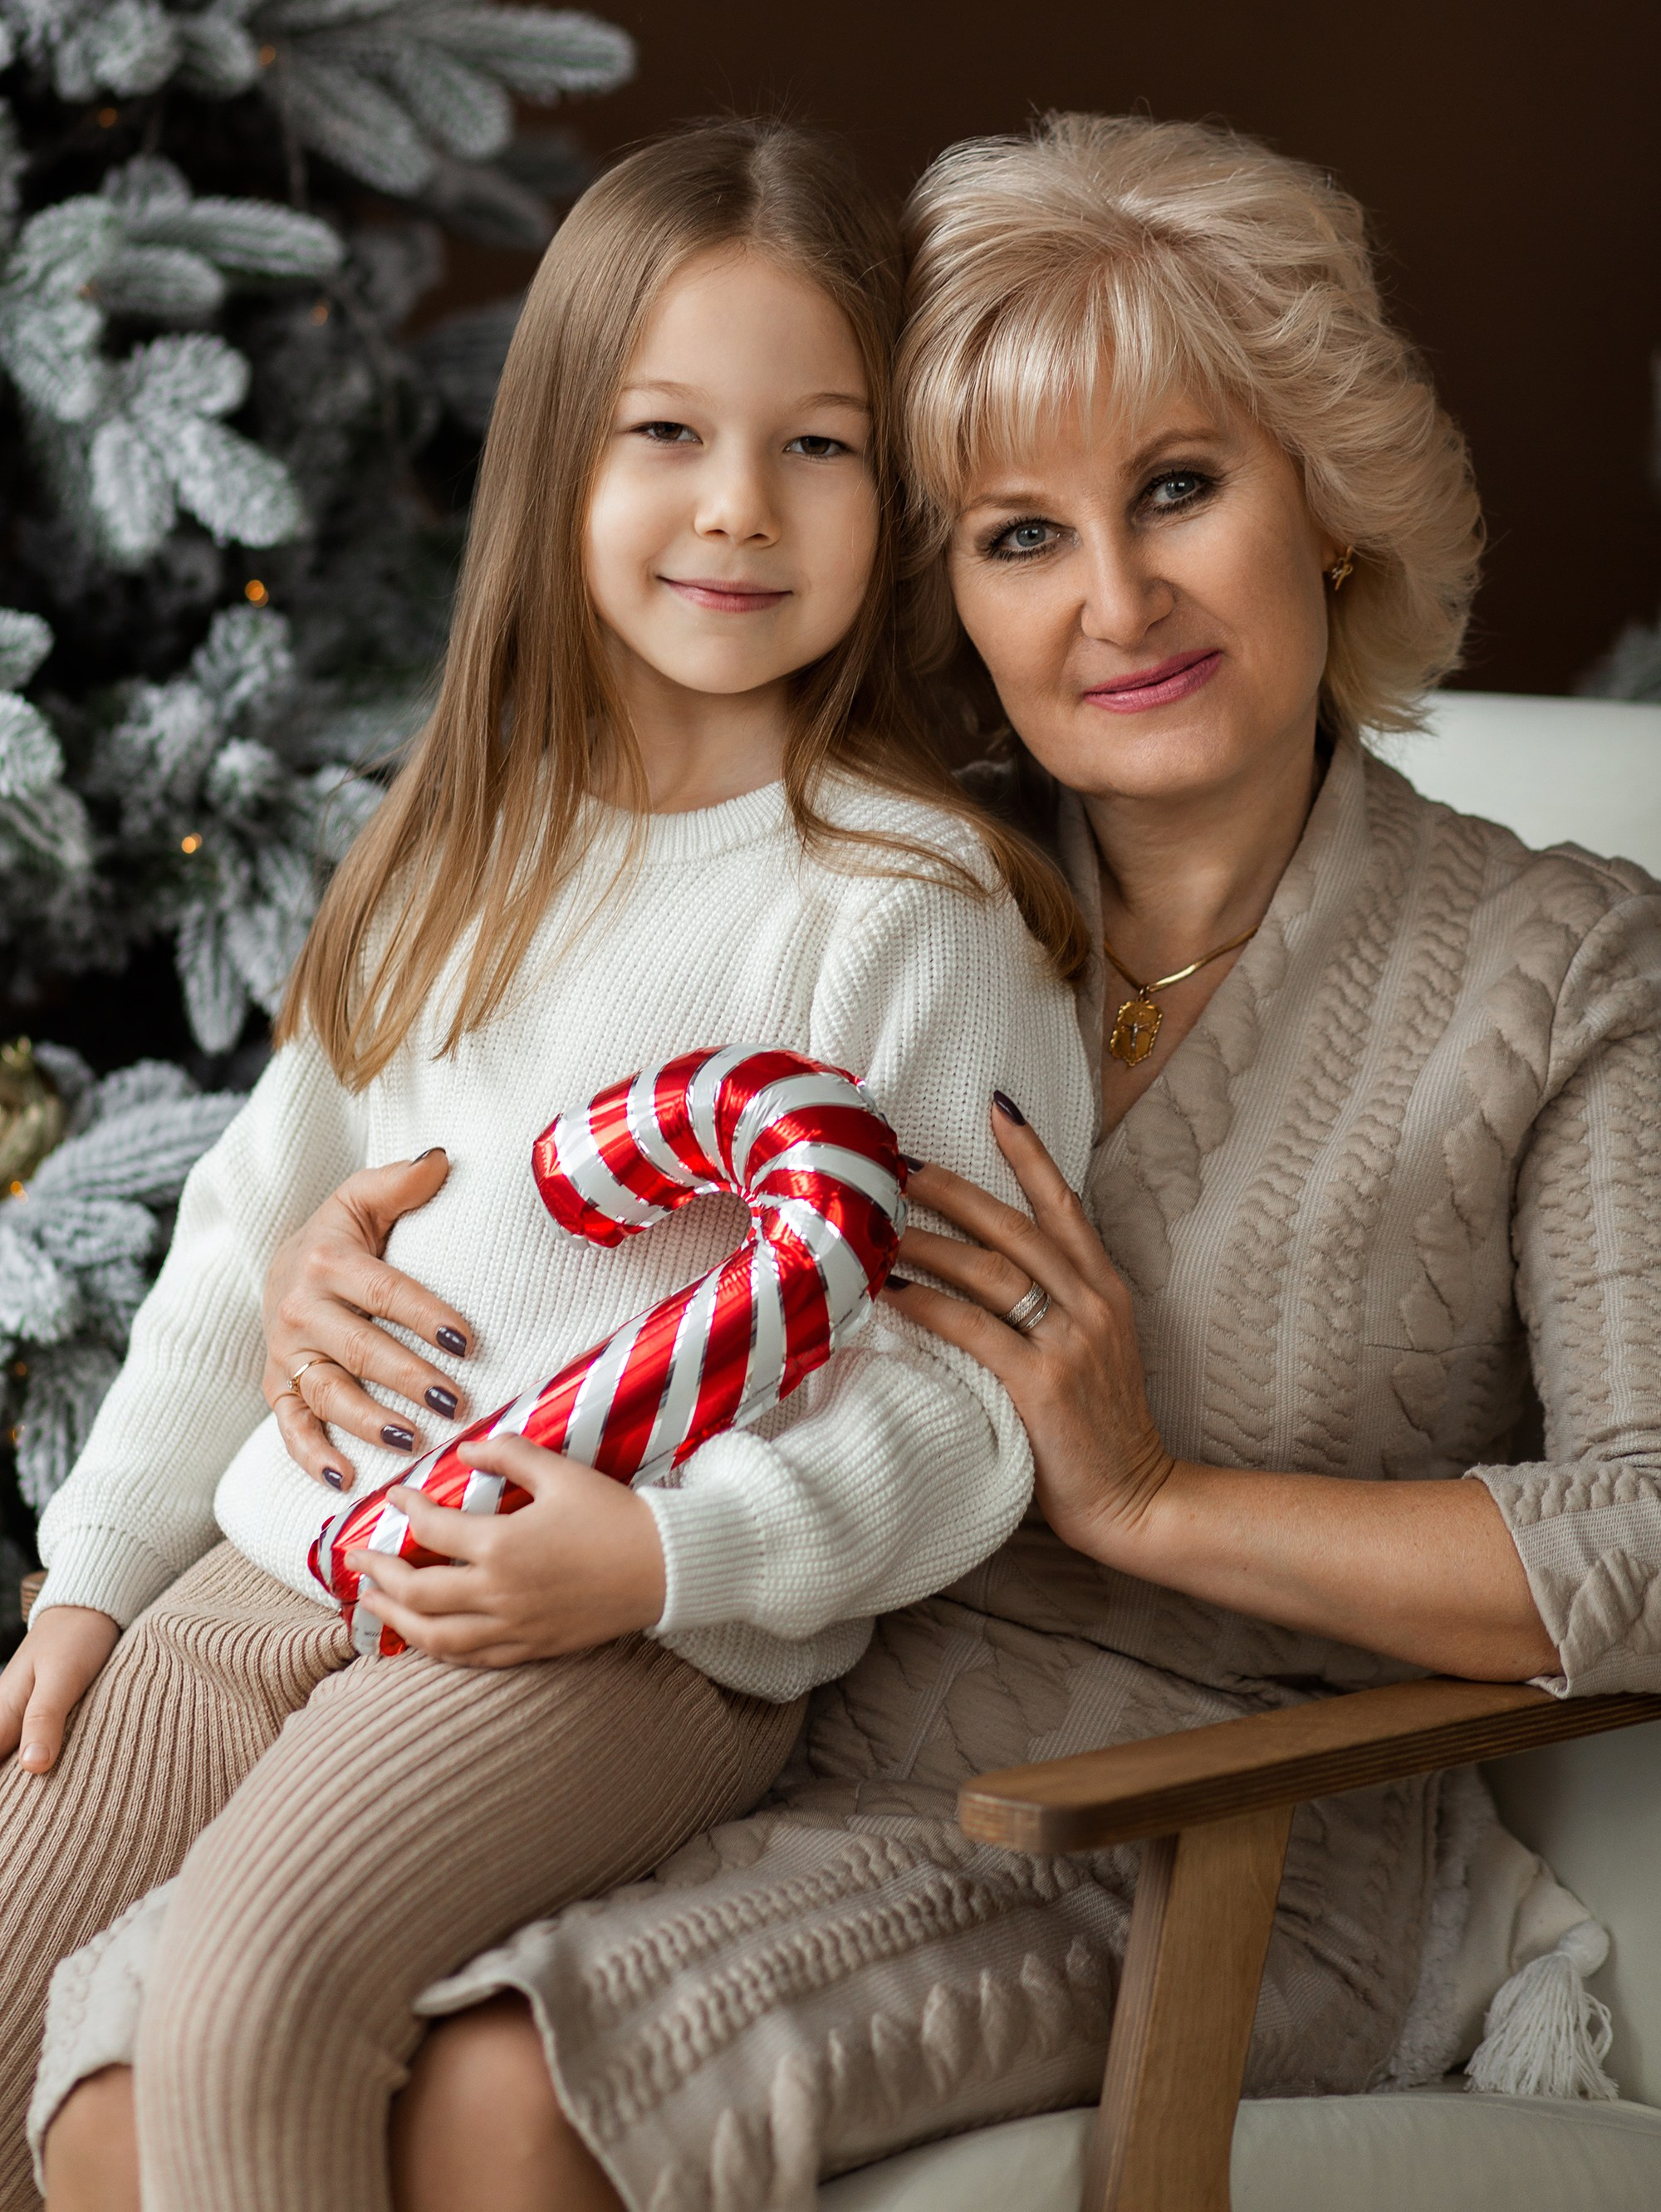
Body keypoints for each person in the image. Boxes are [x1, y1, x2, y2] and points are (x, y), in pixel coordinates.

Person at [42, 111, 1661, 2212]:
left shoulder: (1563, 972)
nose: (1115, 599)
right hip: (734, 1719)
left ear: (1326, 507)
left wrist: (1154, 1500)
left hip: (1181, 1824)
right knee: (114, 2099)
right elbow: (462, 1136)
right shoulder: (883, 894)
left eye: (1177, 488)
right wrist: (317, 1284)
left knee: (482, 2118)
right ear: (944, 584)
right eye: (1015, 534)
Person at [0, 119, 1094, 2212]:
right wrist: (96, 1576)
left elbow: (968, 1402)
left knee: (241, 1998)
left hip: (610, 1640)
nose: (734, 510)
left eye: (821, 448)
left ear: (905, 495)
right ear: (558, 463)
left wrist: (668, 1559)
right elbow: (252, 1229)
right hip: (277, 1569)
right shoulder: (460, 844)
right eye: (663, 430)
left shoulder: (904, 909)